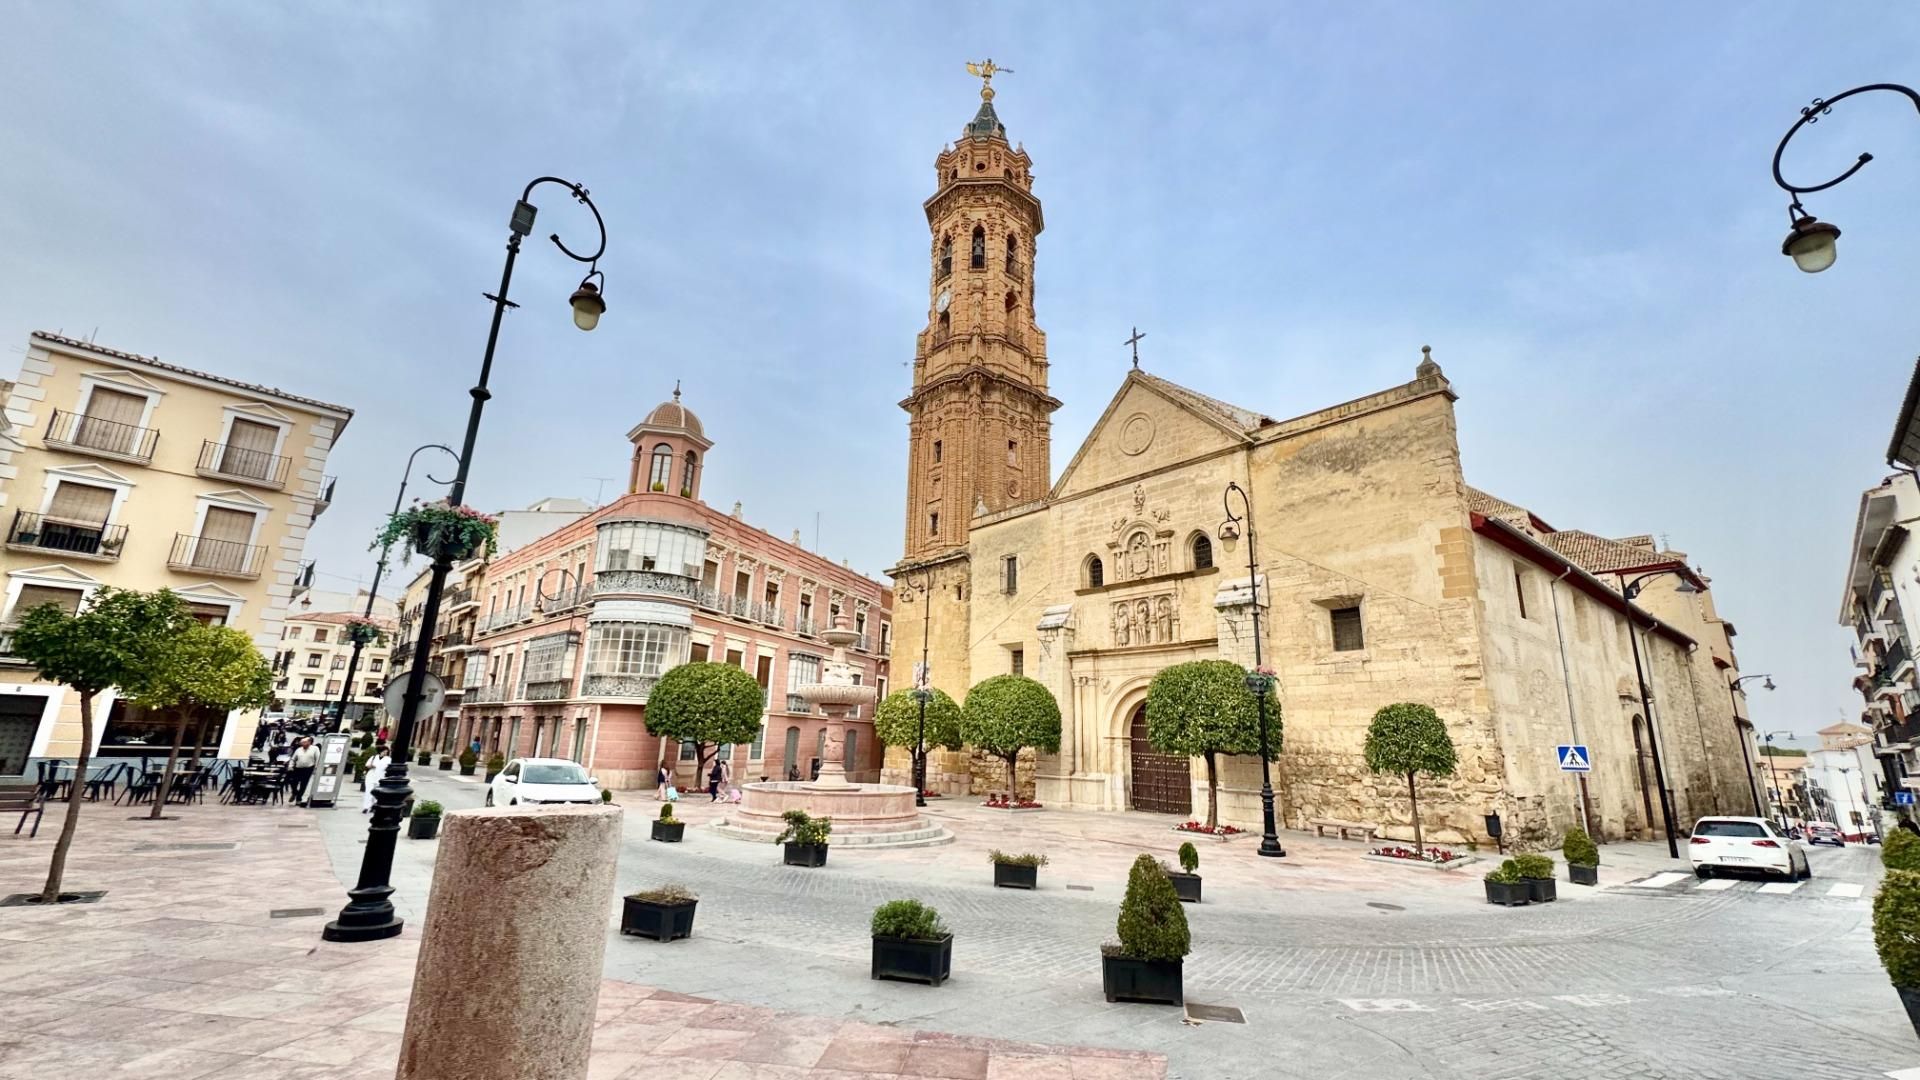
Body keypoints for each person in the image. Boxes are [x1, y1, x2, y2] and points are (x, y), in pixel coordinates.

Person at [286, 737, 319, 808]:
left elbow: (318, 759)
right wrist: (290, 766)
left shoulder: (315, 749)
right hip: (298, 768)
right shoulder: (299, 750)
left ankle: (299, 798)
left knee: (303, 784)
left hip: (308, 769)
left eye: (304, 742)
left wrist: (316, 768)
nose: (302, 744)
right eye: (302, 742)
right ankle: (295, 792)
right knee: (293, 782)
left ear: (309, 742)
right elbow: (293, 759)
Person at [361, 743, 391, 813]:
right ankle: (366, 807)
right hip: (371, 776)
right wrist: (371, 766)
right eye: (384, 751)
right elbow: (367, 765)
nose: (385, 753)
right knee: (369, 791)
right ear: (380, 751)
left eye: (386, 752)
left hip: (381, 777)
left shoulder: (389, 759)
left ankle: (374, 806)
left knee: (377, 792)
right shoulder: (374, 757)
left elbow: (389, 768)